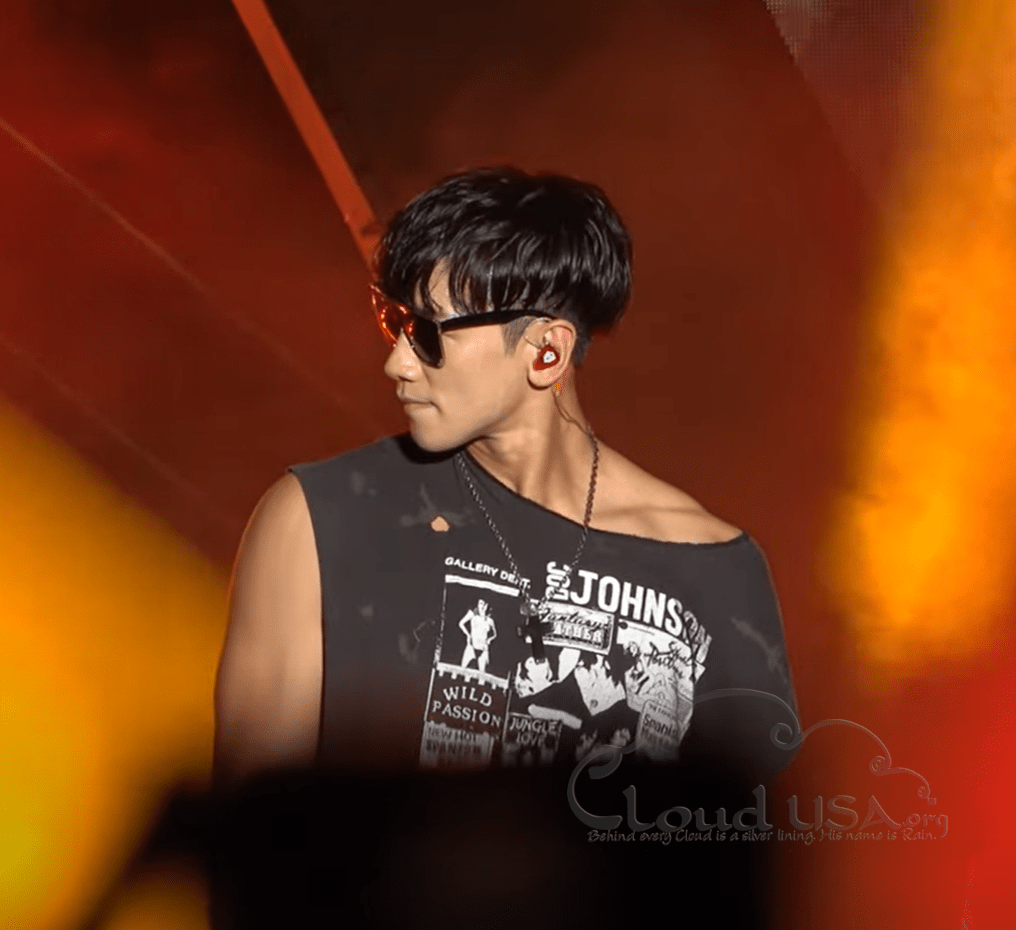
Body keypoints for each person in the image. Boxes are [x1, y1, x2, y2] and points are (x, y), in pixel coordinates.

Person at [213, 166, 798, 789]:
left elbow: (744, 836)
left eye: (429, 334)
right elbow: (249, 825)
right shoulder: (319, 520)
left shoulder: (714, 570)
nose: (397, 362)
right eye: (395, 322)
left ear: (547, 352)